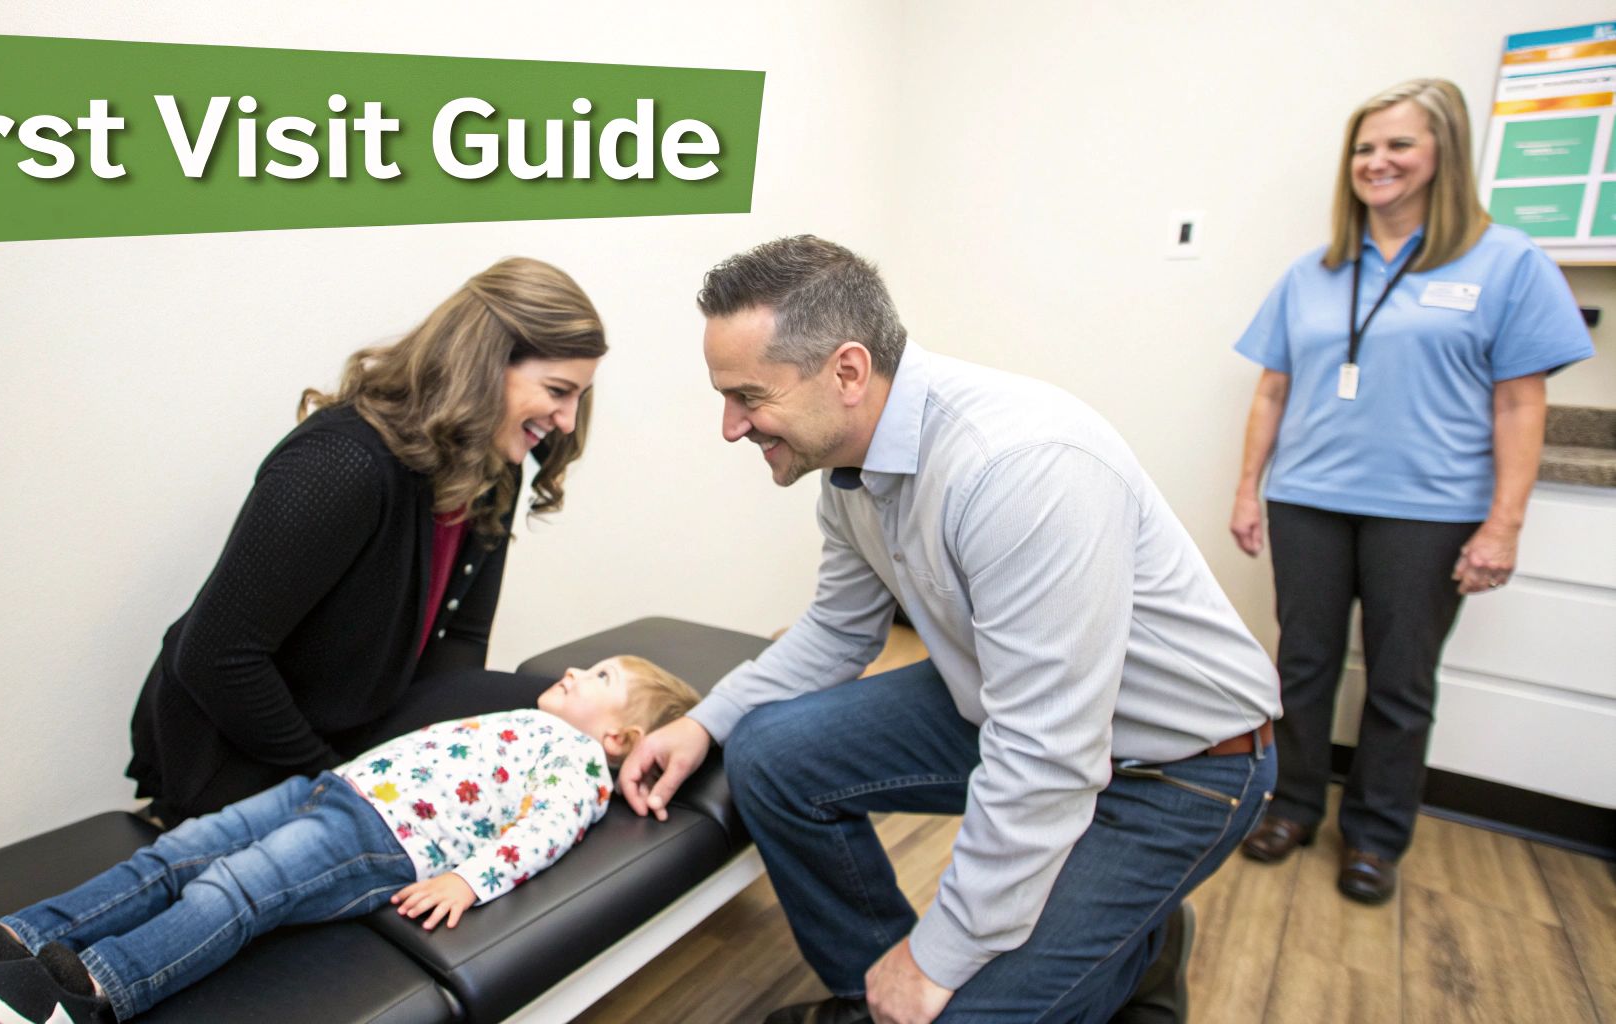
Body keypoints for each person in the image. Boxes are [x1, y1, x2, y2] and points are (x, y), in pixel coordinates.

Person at [619, 236, 1282, 1024]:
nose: (730, 426)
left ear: (849, 372)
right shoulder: (847, 468)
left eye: (749, 397)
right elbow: (836, 632)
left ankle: (1140, 947)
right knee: (768, 753)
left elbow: (1049, 757)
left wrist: (943, 954)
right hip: (1016, 712)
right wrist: (704, 722)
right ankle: (879, 997)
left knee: (963, 1006)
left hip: (1177, 766)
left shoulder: (1019, 467)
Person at [0, 656, 701, 1024]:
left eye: (601, 681)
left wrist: (470, 882)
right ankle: (8, 938)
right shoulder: (532, 717)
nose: (576, 674)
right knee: (178, 850)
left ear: (624, 738)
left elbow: (545, 834)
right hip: (333, 791)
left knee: (234, 889)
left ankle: (82, 994)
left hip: (385, 840)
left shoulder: (579, 765)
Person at [1229, 79, 1594, 903]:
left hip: (1430, 511)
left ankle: (1376, 836)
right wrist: (1250, 489)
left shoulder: (1508, 262)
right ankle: (1291, 806)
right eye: (1364, 148)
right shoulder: (1315, 271)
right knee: (1303, 663)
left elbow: (1520, 401)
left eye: (1398, 145)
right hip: (1310, 498)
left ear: (1443, 157)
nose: (1377, 161)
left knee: (1400, 679)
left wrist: (1503, 524)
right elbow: (1272, 390)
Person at [126, 257, 608, 824]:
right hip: (239, 748)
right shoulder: (341, 463)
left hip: (355, 722)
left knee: (569, 713)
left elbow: (462, 637)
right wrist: (338, 783)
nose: (569, 421)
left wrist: (431, 763)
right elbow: (216, 656)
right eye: (558, 390)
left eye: (579, 396)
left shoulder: (493, 469)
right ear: (484, 363)